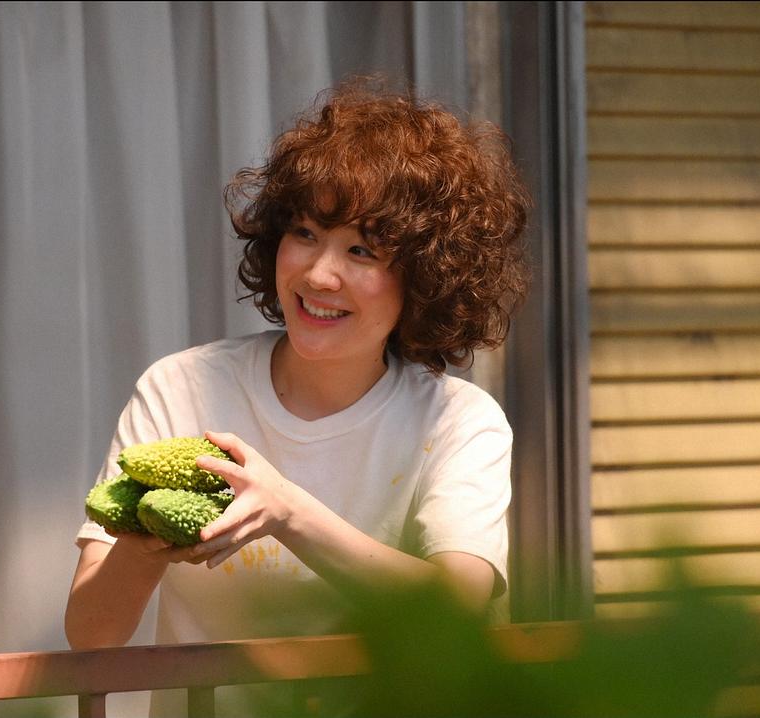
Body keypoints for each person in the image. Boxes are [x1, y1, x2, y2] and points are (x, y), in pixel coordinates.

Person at [65, 79, 530, 716]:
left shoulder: (458, 421)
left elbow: (454, 609)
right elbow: (91, 634)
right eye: (305, 232)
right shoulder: (181, 387)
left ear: (426, 276)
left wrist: (286, 511)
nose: (317, 274)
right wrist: (145, 539)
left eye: (361, 250)